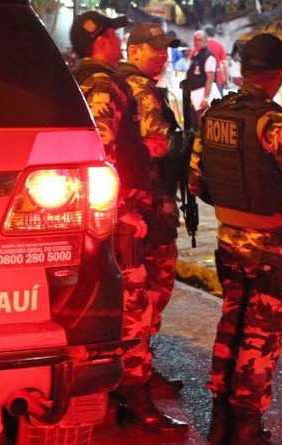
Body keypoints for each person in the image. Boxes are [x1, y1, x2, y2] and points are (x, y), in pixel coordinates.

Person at [188, 33, 282, 445]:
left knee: (231, 326)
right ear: (279, 73)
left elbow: (197, 182)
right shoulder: (275, 125)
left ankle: (219, 422)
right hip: (270, 246)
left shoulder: (216, 115)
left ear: (244, 70)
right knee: (261, 338)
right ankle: (247, 432)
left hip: (230, 240)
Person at [70, 11, 188, 434]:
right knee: (134, 304)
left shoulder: (79, 78)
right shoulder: (103, 84)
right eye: (115, 35)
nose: (119, 41)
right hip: (119, 215)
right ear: (100, 40)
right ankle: (135, 398)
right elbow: (99, 154)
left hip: (103, 213)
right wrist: (123, 211)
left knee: (119, 304)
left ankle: (125, 381)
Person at [117, 22, 189, 396]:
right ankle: (136, 377)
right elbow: (157, 146)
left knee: (128, 296)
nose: (161, 54)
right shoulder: (141, 89)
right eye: (154, 48)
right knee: (151, 293)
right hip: (149, 204)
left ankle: (131, 370)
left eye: (164, 49)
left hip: (125, 206)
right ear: (134, 50)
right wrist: (182, 146)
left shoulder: (114, 84)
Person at [184, 29, 220, 124]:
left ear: (205, 41)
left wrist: (205, 98)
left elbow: (210, 78)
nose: (196, 42)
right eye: (195, 40)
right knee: (197, 121)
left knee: (203, 121)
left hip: (202, 92)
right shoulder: (195, 54)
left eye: (199, 40)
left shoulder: (209, 56)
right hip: (195, 92)